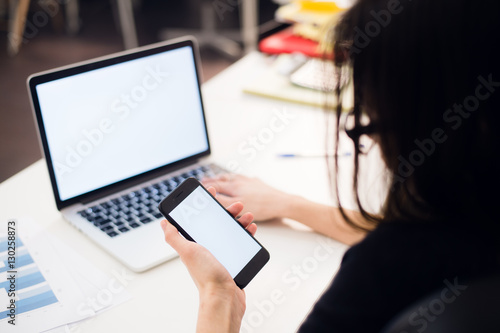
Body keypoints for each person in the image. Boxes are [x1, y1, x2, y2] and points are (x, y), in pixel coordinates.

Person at [160, 0, 500, 331]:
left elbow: (412, 244)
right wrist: (289, 204)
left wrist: (217, 298)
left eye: (373, 119)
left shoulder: (385, 271)